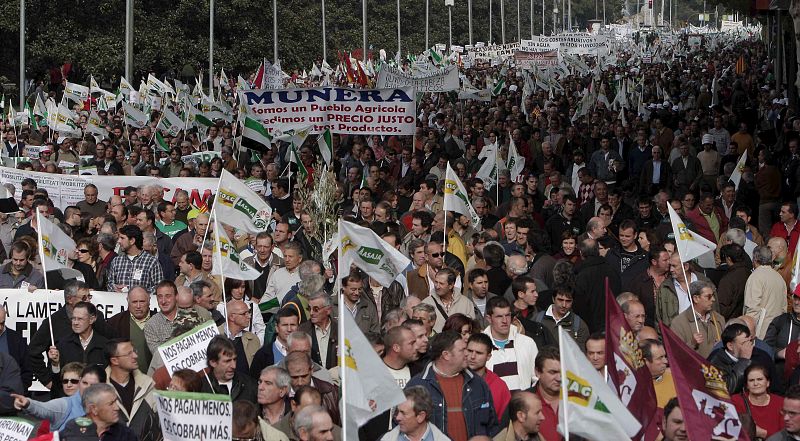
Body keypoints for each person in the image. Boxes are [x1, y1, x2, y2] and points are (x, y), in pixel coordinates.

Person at [406, 330, 499, 439]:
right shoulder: (417, 386)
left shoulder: (478, 383)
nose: (467, 354)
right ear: (446, 355)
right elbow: (403, 428)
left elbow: (492, 426)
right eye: (462, 350)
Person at [12, 364, 106, 431]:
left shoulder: (110, 405)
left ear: (103, 386)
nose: (87, 388)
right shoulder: (65, 404)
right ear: (81, 381)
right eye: (85, 383)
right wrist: (28, 403)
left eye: (93, 385)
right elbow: (45, 408)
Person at [104, 339, 160, 440]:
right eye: (129, 353)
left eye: (134, 351)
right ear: (114, 360)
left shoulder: (147, 384)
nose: (135, 356)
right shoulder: (101, 388)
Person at [483, 297, 539, 392]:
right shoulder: (480, 346)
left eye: (507, 315)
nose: (505, 321)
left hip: (522, 404)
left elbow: (537, 378)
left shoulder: (527, 343)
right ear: (489, 318)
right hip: (494, 404)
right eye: (499, 316)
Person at [58, 383, 138, 441]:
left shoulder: (126, 434)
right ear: (93, 409)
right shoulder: (73, 429)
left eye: (115, 402)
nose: (117, 408)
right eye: (111, 404)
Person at [669, 280, 724, 358]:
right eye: (708, 296)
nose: (713, 299)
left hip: (716, 368)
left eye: (713, 295)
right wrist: (692, 344)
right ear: (695, 298)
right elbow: (676, 355)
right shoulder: (678, 323)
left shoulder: (719, 319)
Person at [284, 351, 340, 425]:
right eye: (294, 377)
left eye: (304, 376)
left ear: (312, 370)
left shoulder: (329, 391)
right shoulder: (280, 394)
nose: (300, 382)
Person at [745, 246, 789, 339]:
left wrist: (748, 333)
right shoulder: (779, 278)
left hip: (760, 333)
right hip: (776, 332)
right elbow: (784, 308)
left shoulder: (755, 277)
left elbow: (752, 308)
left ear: (755, 258)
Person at [106, 287, 152, 373]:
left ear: (149, 300)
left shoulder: (159, 321)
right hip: (126, 378)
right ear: (127, 301)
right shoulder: (115, 323)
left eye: (142, 301)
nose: (138, 306)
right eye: (134, 302)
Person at [467, 333, 511, 423]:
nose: (472, 356)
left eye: (479, 353)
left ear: (488, 357)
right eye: (470, 351)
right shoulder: (454, 379)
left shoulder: (499, 386)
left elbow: (504, 423)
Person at [106, 225, 163, 294]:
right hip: (119, 302)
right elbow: (109, 283)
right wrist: (114, 288)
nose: (119, 241)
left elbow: (159, 286)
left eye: (122, 238)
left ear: (132, 241)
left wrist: (139, 294)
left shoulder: (151, 262)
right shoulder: (116, 261)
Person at [731, 364, 784, 439]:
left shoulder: (781, 402)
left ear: (768, 382)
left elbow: (785, 436)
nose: (755, 383)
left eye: (760, 379)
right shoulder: (737, 401)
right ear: (747, 385)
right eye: (751, 380)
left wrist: (762, 433)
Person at [200, 335, 258, 404]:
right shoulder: (200, 388)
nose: (234, 366)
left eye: (235, 359)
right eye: (227, 361)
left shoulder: (250, 385)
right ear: (213, 362)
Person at [422, 268, 476, 333]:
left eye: (441, 283)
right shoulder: (425, 304)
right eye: (436, 282)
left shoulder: (466, 303)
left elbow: (472, 328)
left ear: (451, 285)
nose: (437, 286)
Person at [708, 323, 754, 395]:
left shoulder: (757, 356)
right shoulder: (715, 362)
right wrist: (744, 361)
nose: (748, 347)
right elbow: (727, 388)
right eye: (744, 343)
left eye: (750, 342)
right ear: (730, 346)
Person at [222, 299, 261, 375]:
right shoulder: (216, 336)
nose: (249, 316)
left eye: (249, 312)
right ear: (232, 317)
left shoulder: (253, 339)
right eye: (244, 313)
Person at [641, 339, 676, 408]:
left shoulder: (675, 376)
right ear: (645, 362)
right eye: (660, 358)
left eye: (665, 356)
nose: (666, 361)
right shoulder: (638, 388)